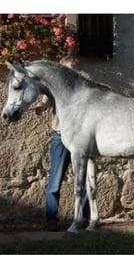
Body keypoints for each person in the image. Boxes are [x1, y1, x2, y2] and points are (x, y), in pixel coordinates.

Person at [34, 57, 89, 231]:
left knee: (85, 178)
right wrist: (41, 106)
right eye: (68, 69)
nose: (71, 71)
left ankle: (84, 217)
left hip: (80, 138)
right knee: (56, 179)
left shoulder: (83, 87)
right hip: (60, 135)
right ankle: (51, 219)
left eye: (74, 68)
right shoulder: (54, 88)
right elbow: (45, 101)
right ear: (61, 69)